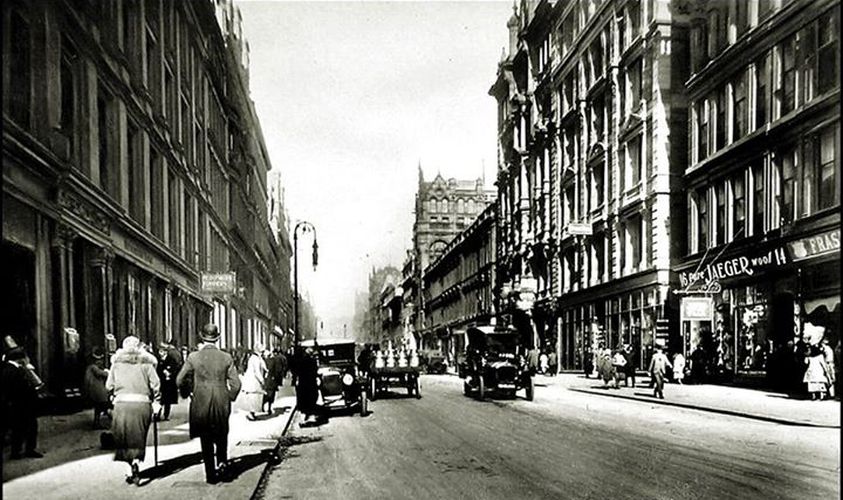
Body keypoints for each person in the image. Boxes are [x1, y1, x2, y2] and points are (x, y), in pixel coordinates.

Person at [176, 324, 241, 484]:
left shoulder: (193, 357)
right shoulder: (226, 357)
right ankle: (222, 465)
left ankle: (210, 475)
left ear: (201, 337)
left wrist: (189, 392)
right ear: (217, 338)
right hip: (221, 400)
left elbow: (179, 380)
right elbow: (236, 384)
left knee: (205, 438)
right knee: (221, 435)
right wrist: (229, 396)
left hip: (201, 401)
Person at [106, 335, 161, 485]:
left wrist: (114, 394)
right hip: (141, 404)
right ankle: (137, 459)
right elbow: (156, 384)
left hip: (122, 404)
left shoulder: (116, 364)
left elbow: (109, 385)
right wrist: (157, 401)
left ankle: (129, 467)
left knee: (123, 436)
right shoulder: (147, 363)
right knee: (138, 435)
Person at [2, 341, 44, 459]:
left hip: (17, 404)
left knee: (18, 429)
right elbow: (20, 388)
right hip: (22, 404)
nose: (27, 359)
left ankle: (16, 452)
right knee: (29, 427)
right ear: (20, 358)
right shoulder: (14, 370)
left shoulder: (10, 369)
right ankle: (29, 450)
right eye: (25, 357)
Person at [83, 347, 111, 429]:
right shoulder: (93, 368)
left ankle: (98, 421)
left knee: (98, 407)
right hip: (96, 391)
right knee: (100, 406)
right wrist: (107, 372)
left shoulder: (90, 367)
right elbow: (101, 374)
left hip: (94, 390)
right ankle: (98, 422)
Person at [157, 341, 183, 421]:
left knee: (167, 400)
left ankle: (166, 415)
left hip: (169, 383)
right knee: (160, 400)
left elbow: (175, 369)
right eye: (160, 351)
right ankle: (158, 414)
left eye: (163, 351)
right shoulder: (158, 360)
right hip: (162, 382)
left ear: (166, 352)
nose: (161, 353)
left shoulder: (171, 359)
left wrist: (170, 374)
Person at [295, 347, 320, 425]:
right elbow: (315, 372)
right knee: (312, 400)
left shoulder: (300, 361)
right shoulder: (313, 361)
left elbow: (297, 372)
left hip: (302, 384)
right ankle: (311, 418)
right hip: (311, 383)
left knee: (303, 401)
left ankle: (302, 419)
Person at [241, 345, 267, 421]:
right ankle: (250, 414)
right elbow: (257, 371)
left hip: (254, 381)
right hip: (253, 381)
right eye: (262, 351)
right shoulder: (254, 359)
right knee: (253, 398)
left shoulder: (257, 358)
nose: (262, 353)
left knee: (255, 397)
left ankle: (252, 413)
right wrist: (262, 380)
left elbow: (263, 365)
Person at [262, 348, 281, 415]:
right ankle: (269, 408)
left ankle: (263, 406)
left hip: (265, 380)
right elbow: (277, 371)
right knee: (271, 395)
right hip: (271, 380)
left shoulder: (263, 361)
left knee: (265, 394)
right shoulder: (273, 361)